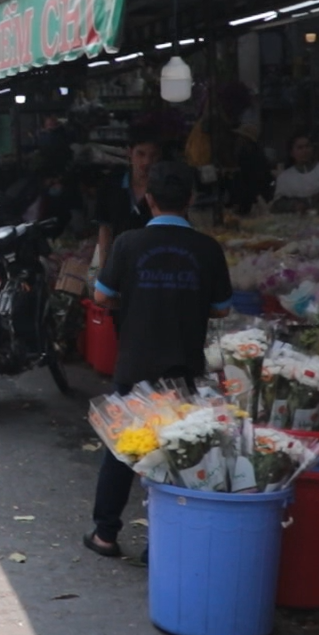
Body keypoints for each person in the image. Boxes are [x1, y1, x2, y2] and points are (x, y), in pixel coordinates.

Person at [83, 161, 232, 559]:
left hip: (135, 364)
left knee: (123, 449)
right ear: (191, 200)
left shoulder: (128, 244)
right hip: (183, 366)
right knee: (177, 453)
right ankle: (159, 544)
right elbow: (221, 309)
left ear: (148, 199)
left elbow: (101, 296)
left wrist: (136, 298)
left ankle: (105, 534)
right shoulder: (207, 248)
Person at [96, 131, 161, 267]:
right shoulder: (111, 185)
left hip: (155, 265)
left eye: (153, 156)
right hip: (120, 262)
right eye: (141, 154)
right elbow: (105, 227)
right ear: (129, 153)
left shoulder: (163, 189)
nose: (146, 162)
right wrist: (103, 266)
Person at [270, 132, 319, 216]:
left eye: (308, 146)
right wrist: (293, 205)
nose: (305, 150)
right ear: (292, 153)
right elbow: (277, 204)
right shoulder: (284, 177)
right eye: (300, 148)